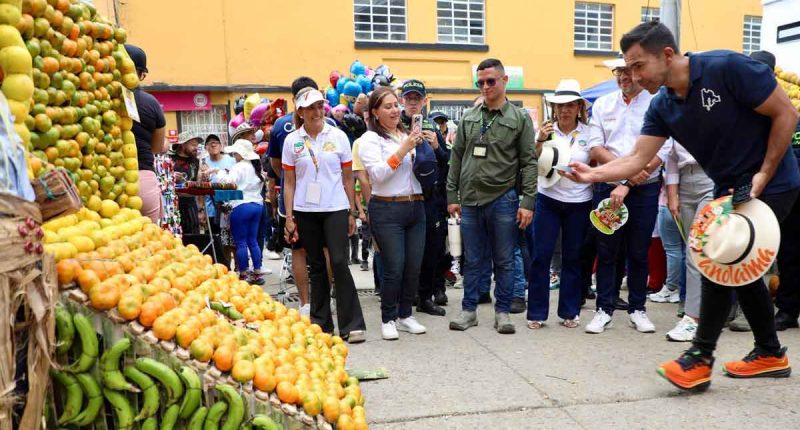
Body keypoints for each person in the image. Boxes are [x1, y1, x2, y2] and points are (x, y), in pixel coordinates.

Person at [565, 21, 800, 390]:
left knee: (720, 259)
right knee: (742, 268)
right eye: (628, 68)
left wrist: (765, 174)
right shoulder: (662, 106)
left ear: (668, 55)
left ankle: (700, 357)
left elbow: (786, 113)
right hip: (729, 187)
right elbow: (638, 158)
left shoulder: (728, 68)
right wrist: (592, 176)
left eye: (639, 65)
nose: (634, 75)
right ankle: (770, 353)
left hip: (772, 182)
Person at [582, 57, 672, 335]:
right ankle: (603, 309)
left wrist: (631, 180)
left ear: (638, 72)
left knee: (638, 250)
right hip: (608, 185)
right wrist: (624, 176)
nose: (623, 77)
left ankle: (637, 309)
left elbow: (664, 147)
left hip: (644, 188)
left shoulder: (656, 102)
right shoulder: (604, 104)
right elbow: (595, 147)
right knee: (607, 251)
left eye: (628, 71)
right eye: (618, 71)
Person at [447, 58, 537, 335]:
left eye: (490, 81)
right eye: (480, 82)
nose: (485, 87)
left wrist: (528, 201)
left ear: (504, 80)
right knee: (472, 259)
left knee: (505, 259)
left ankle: (503, 313)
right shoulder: (470, 117)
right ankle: (469, 311)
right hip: (471, 200)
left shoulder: (519, 118)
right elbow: (457, 156)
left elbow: (529, 162)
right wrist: (452, 194)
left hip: (503, 198)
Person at [282, 88, 366, 343]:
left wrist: (352, 210)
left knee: (339, 261)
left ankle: (351, 324)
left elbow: (348, 177)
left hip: (336, 207)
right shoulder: (291, 141)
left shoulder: (338, 136)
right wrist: (288, 216)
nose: (317, 112)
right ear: (301, 112)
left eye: (320, 106)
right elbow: (289, 182)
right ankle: (321, 323)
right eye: (311, 108)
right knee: (316, 265)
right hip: (305, 210)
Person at [359, 86, 428, 340]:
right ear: (375, 112)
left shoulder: (407, 133)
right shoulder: (370, 140)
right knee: (394, 266)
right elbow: (376, 174)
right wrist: (403, 150)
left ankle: (405, 314)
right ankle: (388, 317)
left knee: (413, 265)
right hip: (387, 207)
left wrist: (426, 148)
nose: (394, 111)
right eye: (387, 107)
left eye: (395, 105)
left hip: (416, 205)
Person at [525, 79, 593, 330]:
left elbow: (596, 161)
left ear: (578, 107)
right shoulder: (545, 130)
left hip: (579, 200)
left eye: (569, 105)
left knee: (573, 258)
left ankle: (570, 311)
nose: (564, 110)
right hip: (548, 198)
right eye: (559, 105)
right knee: (541, 256)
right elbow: (530, 161)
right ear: (554, 107)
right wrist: (539, 141)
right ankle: (536, 313)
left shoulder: (589, 132)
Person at [269, 77, 335, 316]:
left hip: (297, 197)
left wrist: (293, 178)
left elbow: (275, 165)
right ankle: (318, 301)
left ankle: (307, 303)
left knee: (299, 250)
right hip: (304, 199)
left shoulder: (279, 125)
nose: (316, 111)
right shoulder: (322, 124)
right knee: (321, 250)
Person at [750, 50, 800, 332]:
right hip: (779, 193)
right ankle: (787, 309)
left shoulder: (790, 102)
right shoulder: (756, 111)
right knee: (786, 254)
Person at [399, 79, 449, 317]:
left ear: (424, 101)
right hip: (401, 196)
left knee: (431, 249)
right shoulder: (393, 123)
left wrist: (437, 146)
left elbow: (446, 162)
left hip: (428, 198)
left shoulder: (432, 126)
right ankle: (404, 296)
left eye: (416, 98)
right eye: (408, 98)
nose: (412, 103)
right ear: (402, 100)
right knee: (403, 251)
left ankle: (426, 297)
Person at [663, 142, 713, 341]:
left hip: (712, 180)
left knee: (699, 250)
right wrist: (672, 193)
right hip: (684, 182)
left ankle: (694, 317)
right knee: (691, 251)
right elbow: (672, 158)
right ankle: (695, 315)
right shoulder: (675, 114)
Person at [215, 139, 268, 285]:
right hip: (257, 205)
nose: (234, 155)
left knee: (241, 243)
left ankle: (243, 274)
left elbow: (228, 183)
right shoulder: (255, 166)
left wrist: (220, 173)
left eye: (235, 152)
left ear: (240, 153)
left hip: (241, 206)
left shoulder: (239, 167)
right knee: (253, 240)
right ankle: (257, 273)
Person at [126, 44, 166, 223]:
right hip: (143, 178)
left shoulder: (102, 97)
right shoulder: (150, 103)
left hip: (110, 180)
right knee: (148, 244)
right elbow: (157, 147)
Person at [199, 134, 237, 265]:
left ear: (221, 146)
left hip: (229, 207)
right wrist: (201, 210)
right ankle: (220, 265)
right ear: (206, 148)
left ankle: (237, 267)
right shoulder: (203, 163)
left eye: (216, 142)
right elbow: (200, 188)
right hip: (211, 208)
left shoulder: (230, 160)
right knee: (216, 240)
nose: (213, 145)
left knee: (232, 241)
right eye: (210, 143)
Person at [169, 132, 203, 235]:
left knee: (193, 238)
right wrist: (171, 176)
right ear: (183, 145)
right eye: (193, 145)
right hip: (172, 205)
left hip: (190, 205)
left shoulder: (197, 162)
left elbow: (199, 186)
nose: (196, 148)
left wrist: (201, 209)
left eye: (197, 145)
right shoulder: (169, 159)